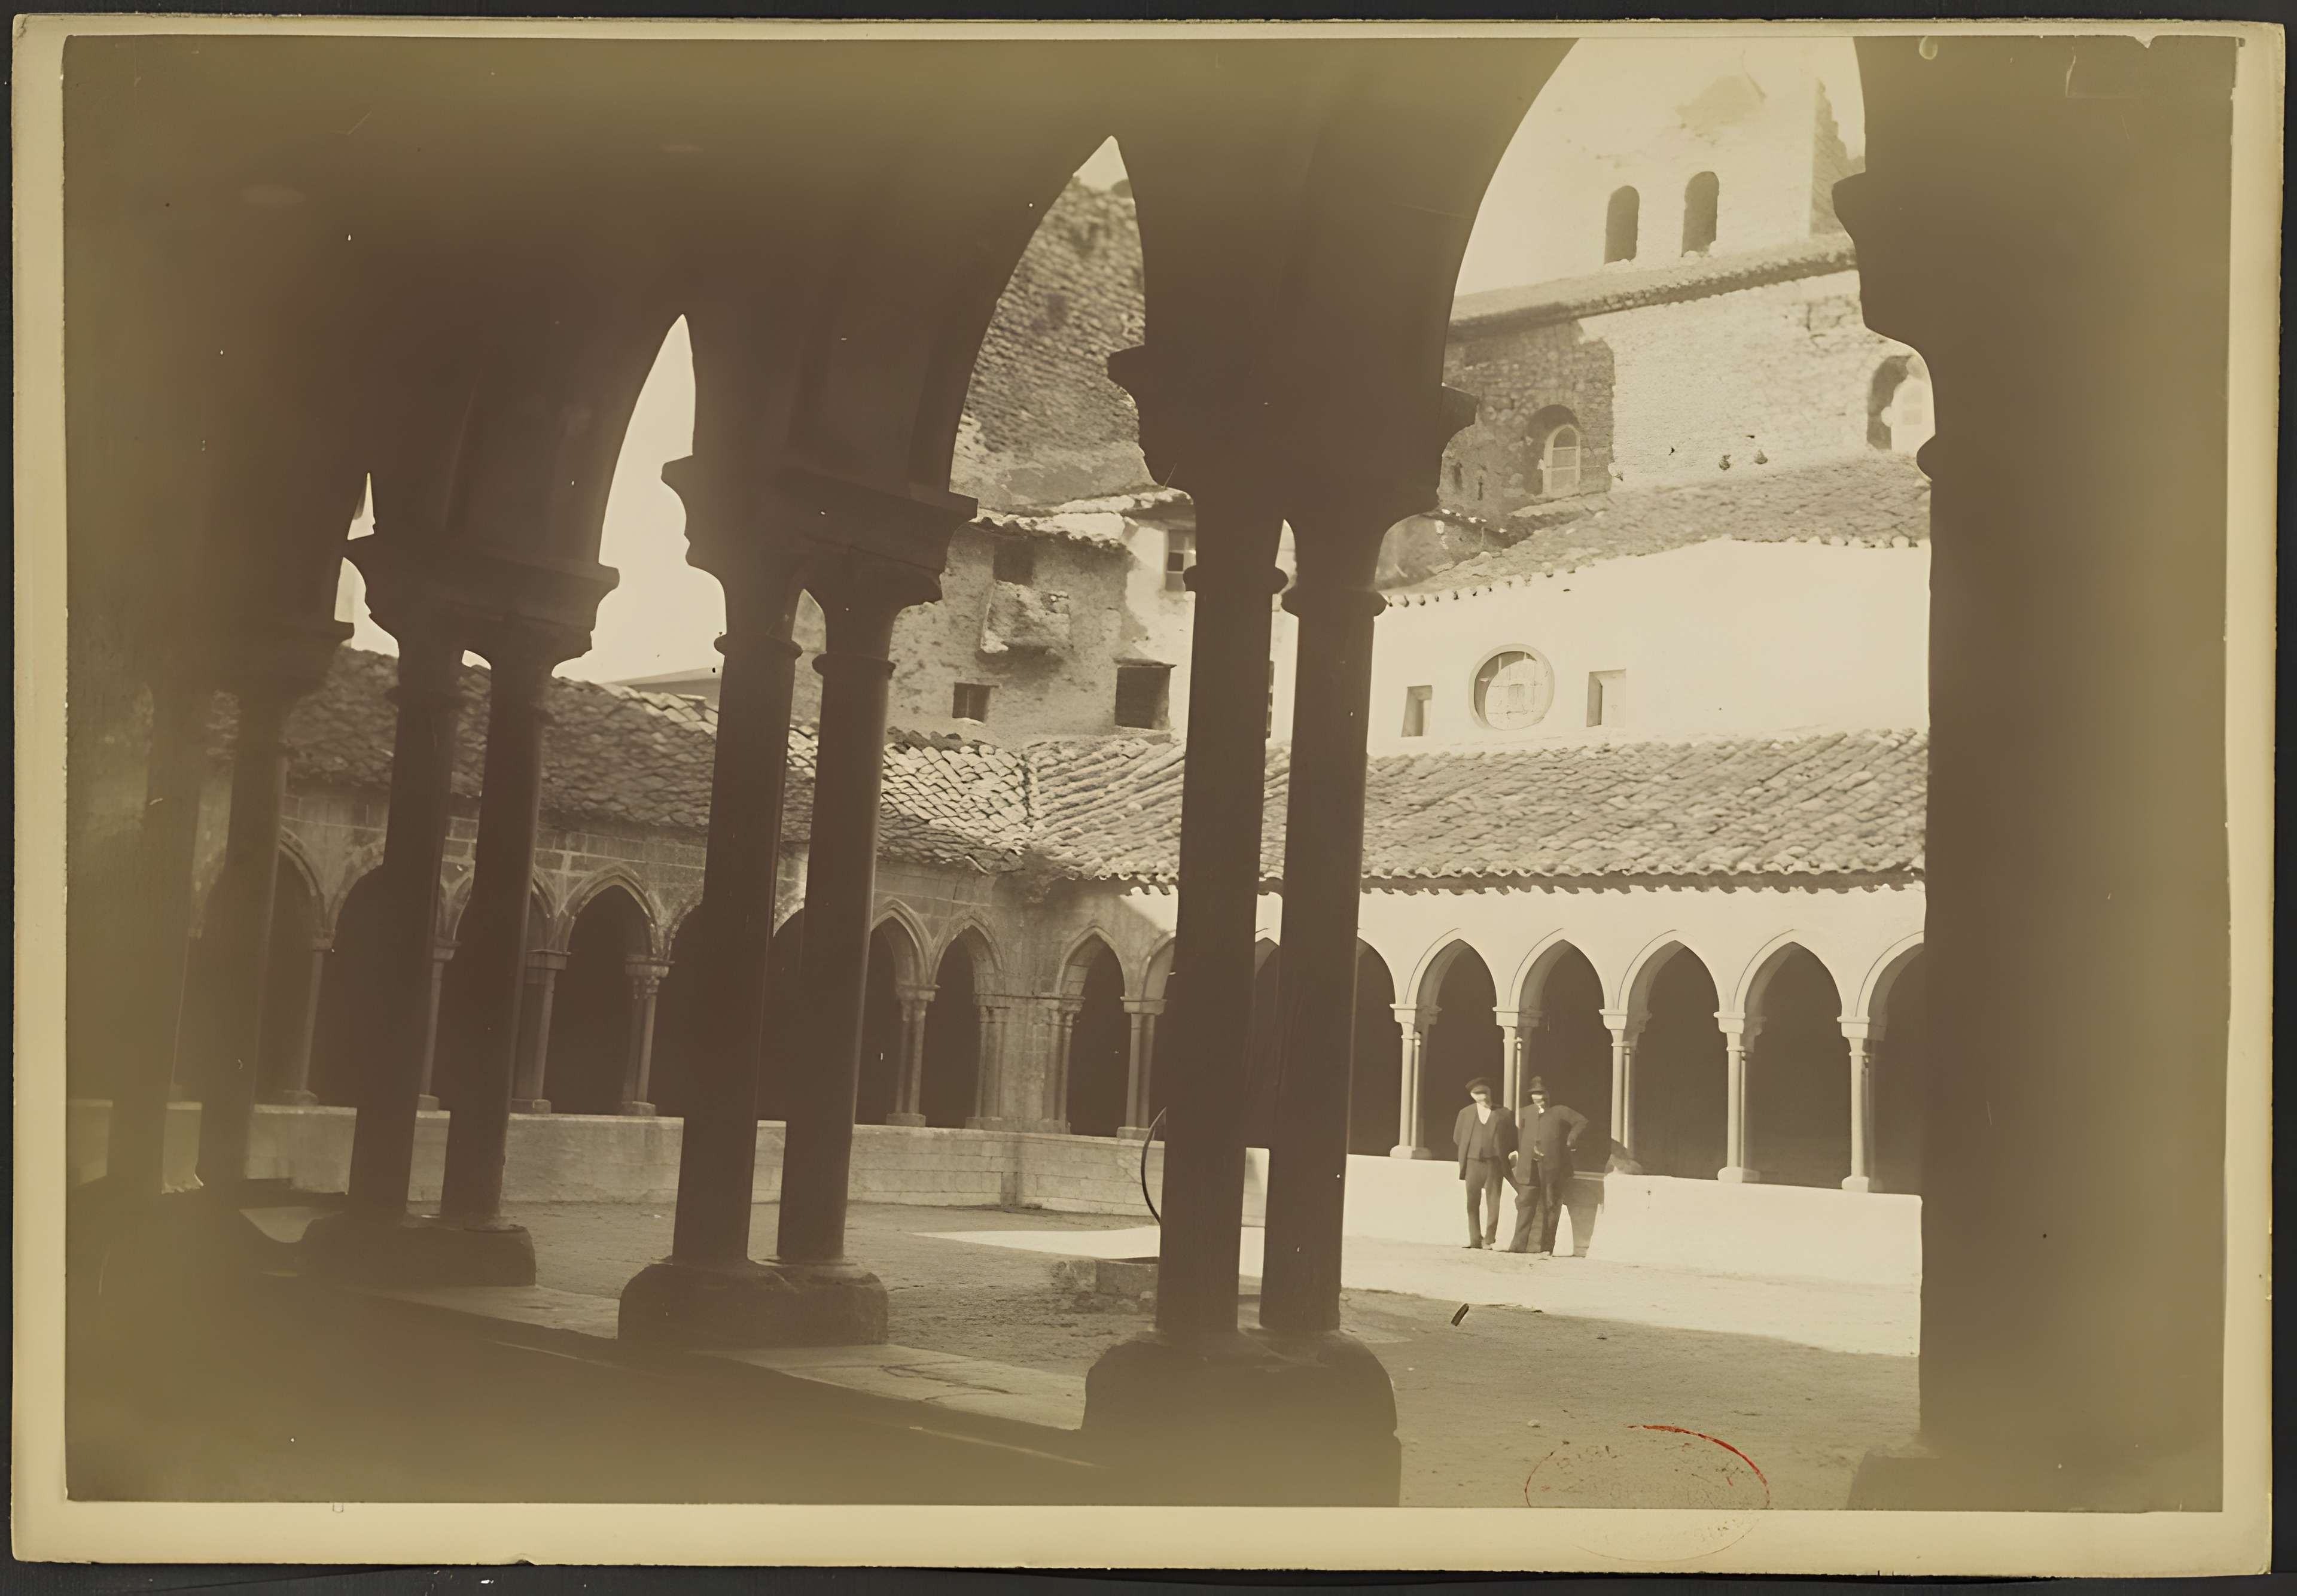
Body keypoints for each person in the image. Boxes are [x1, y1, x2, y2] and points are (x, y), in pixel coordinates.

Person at [1508, 1076, 1589, 1256]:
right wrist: (1517, 1151)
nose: (1540, 1098)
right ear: (1531, 1096)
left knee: (1551, 1204)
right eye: (1536, 1094)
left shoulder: (1559, 1112)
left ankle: (1546, 1248)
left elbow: (1581, 1121)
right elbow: (1515, 1135)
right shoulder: (1524, 1113)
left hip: (1552, 1167)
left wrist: (1571, 1139)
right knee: (1525, 1203)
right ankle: (1518, 1246)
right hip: (1529, 1167)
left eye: (1542, 1093)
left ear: (1548, 1095)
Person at [1451, 1077, 1516, 1249]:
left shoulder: (1504, 1114)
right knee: (1472, 1202)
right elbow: (1458, 1137)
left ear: (1490, 1093)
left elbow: (1513, 1138)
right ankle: (1474, 1239)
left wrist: (1509, 1154)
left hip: (1494, 1164)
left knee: (1493, 1201)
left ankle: (1489, 1239)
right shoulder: (1465, 1113)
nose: (1483, 1098)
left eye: (1485, 1093)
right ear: (1472, 1096)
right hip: (1473, 1163)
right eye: (1478, 1095)